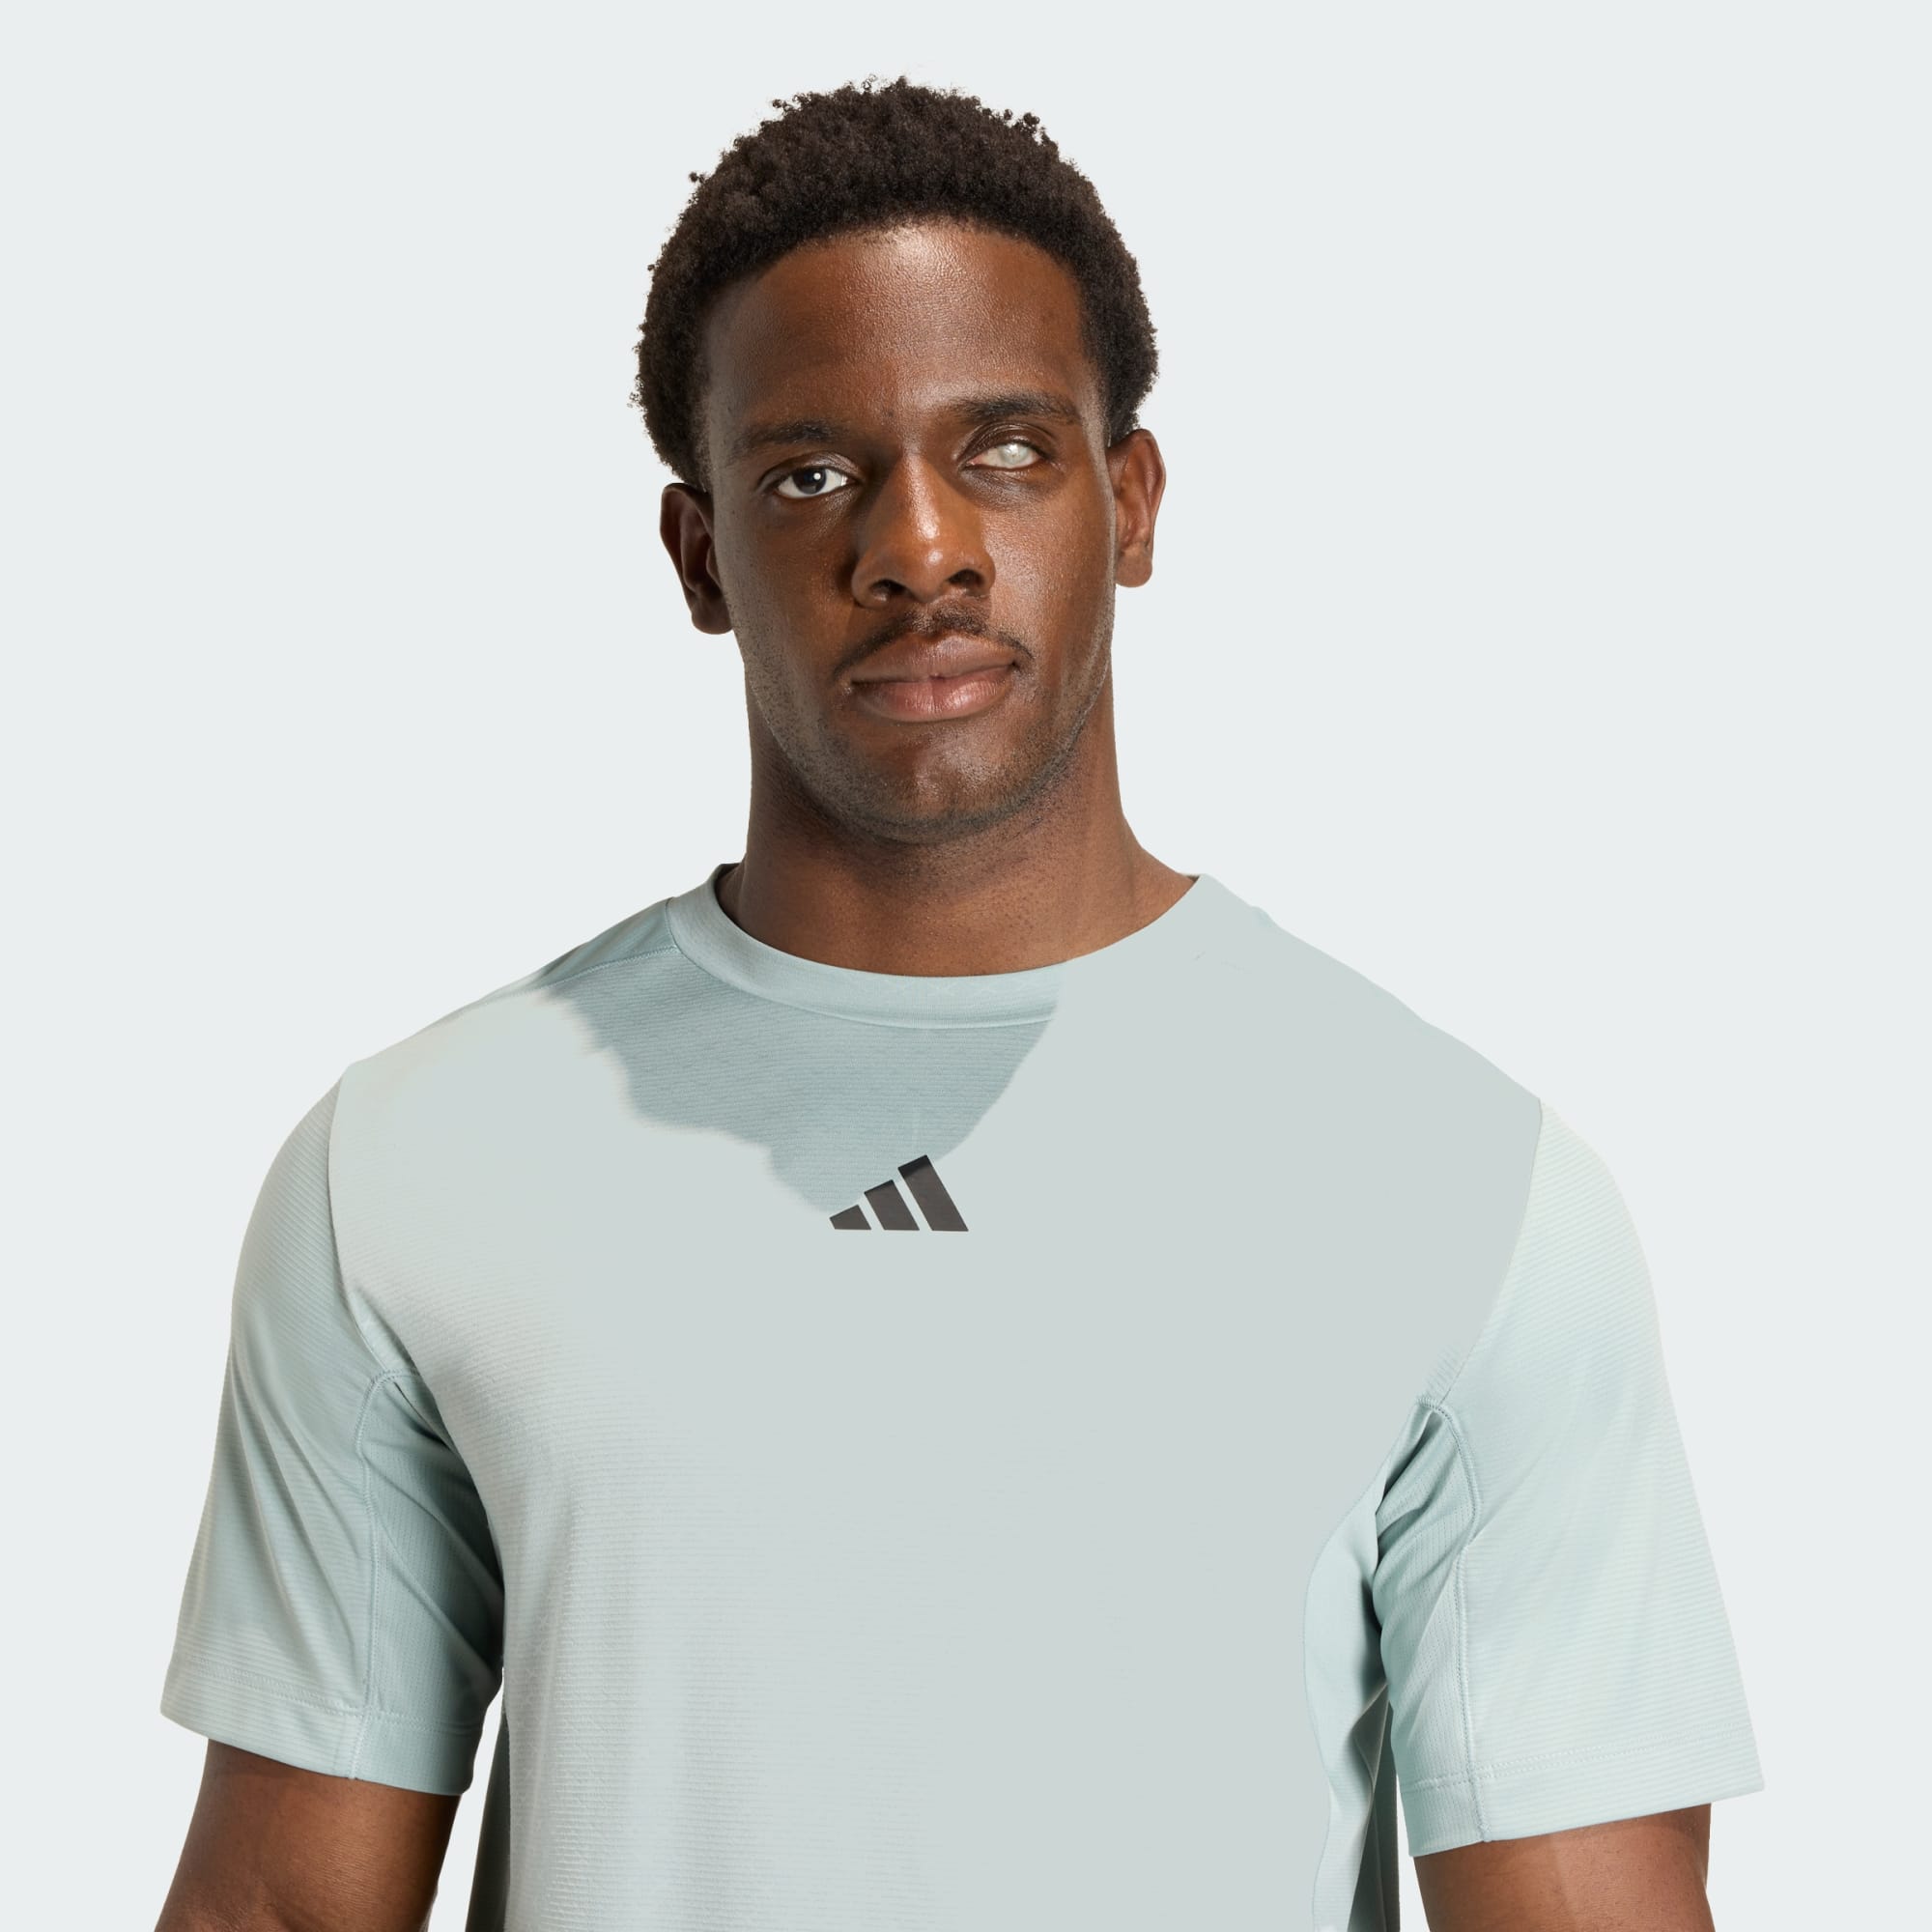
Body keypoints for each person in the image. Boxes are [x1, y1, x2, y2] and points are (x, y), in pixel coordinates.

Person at [154, 76, 1763, 1932]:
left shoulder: (1458, 1182)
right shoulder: (416, 1166)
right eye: (810, 473)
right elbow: (281, 1906)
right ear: (698, 555)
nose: (917, 547)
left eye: (1004, 449)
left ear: (1129, 502)